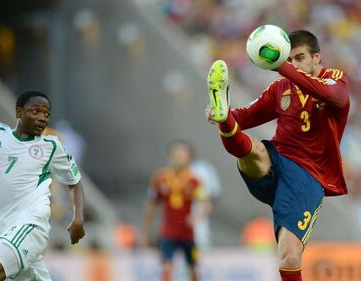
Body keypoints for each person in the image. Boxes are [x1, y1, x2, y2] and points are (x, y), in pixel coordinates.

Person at [205, 30, 349, 281]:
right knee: (255, 150)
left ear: (317, 57)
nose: (294, 65)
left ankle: (224, 122)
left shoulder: (335, 79)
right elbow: (246, 116)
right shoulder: (281, 88)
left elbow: (331, 95)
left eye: (299, 58)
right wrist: (225, 115)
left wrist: (280, 65)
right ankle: (222, 120)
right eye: (289, 59)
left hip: (307, 177)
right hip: (277, 160)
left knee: (289, 257)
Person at [0, 90, 86, 281]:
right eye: (35, 111)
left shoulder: (51, 146)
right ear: (18, 112)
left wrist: (78, 217)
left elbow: (75, 181)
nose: (42, 118)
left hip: (30, 225)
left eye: (46, 114)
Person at [141, 140, 210, 281]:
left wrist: (197, 216)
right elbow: (151, 205)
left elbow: (206, 203)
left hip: (188, 233)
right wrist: (145, 231)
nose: (179, 158)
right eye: (176, 155)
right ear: (169, 156)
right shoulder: (160, 178)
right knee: (166, 267)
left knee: (193, 267)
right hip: (168, 233)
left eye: (183, 155)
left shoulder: (194, 180)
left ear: (190, 158)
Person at [190, 158, 221, 249]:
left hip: (196, 224)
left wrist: (197, 218)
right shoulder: (167, 175)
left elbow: (208, 199)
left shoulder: (199, 172)